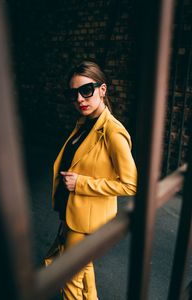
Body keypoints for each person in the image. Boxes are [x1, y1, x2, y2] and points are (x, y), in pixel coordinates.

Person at [52, 60, 137, 300]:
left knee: (67, 276)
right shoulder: (85, 123)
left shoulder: (113, 132)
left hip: (87, 219)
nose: (80, 98)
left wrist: (81, 183)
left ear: (102, 89)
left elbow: (131, 183)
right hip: (73, 211)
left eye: (86, 90)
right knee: (83, 268)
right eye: (74, 93)